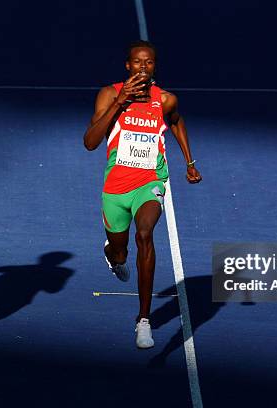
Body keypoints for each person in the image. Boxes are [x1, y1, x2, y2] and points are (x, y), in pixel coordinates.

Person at [83, 40, 201, 348]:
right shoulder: (109, 94)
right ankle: (112, 252)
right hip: (116, 187)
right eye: (137, 63)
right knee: (121, 250)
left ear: (155, 67)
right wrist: (121, 101)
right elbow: (90, 141)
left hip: (150, 181)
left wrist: (189, 162)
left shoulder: (165, 100)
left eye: (149, 63)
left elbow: (176, 124)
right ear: (127, 65)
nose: (143, 68)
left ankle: (144, 320)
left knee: (145, 234)